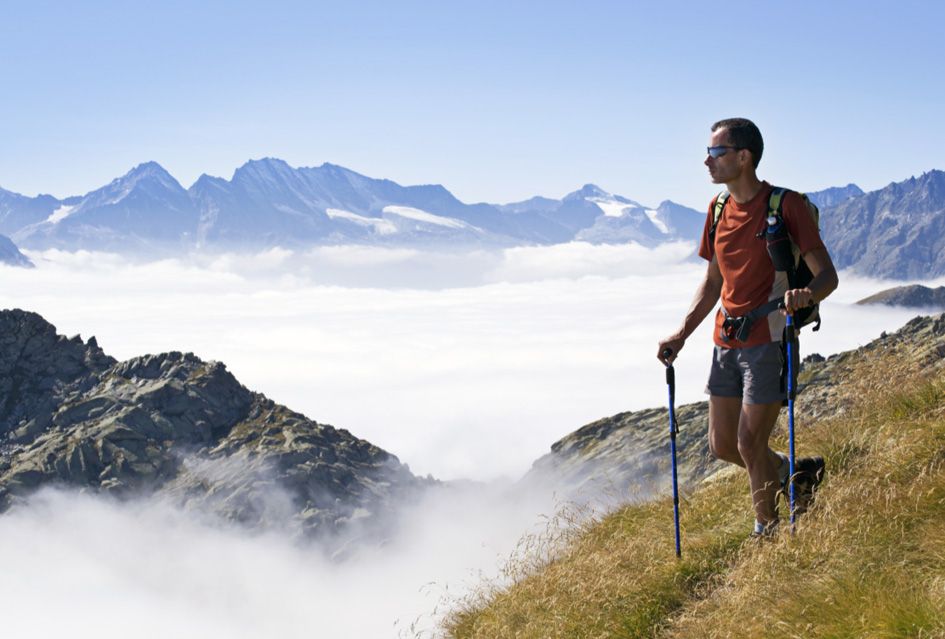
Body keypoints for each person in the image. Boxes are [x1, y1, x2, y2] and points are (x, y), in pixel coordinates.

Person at [657, 118, 839, 537]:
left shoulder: (785, 206)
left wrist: (806, 295)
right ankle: (796, 474)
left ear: (744, 157)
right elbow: (713, 281)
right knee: (723, 445)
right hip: (726, 340)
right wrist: (681, 334)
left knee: (748, 444)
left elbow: (827, 276)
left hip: (769, 338)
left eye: (716, 153)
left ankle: (767, 535)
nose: (707, 161)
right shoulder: (717, 210)